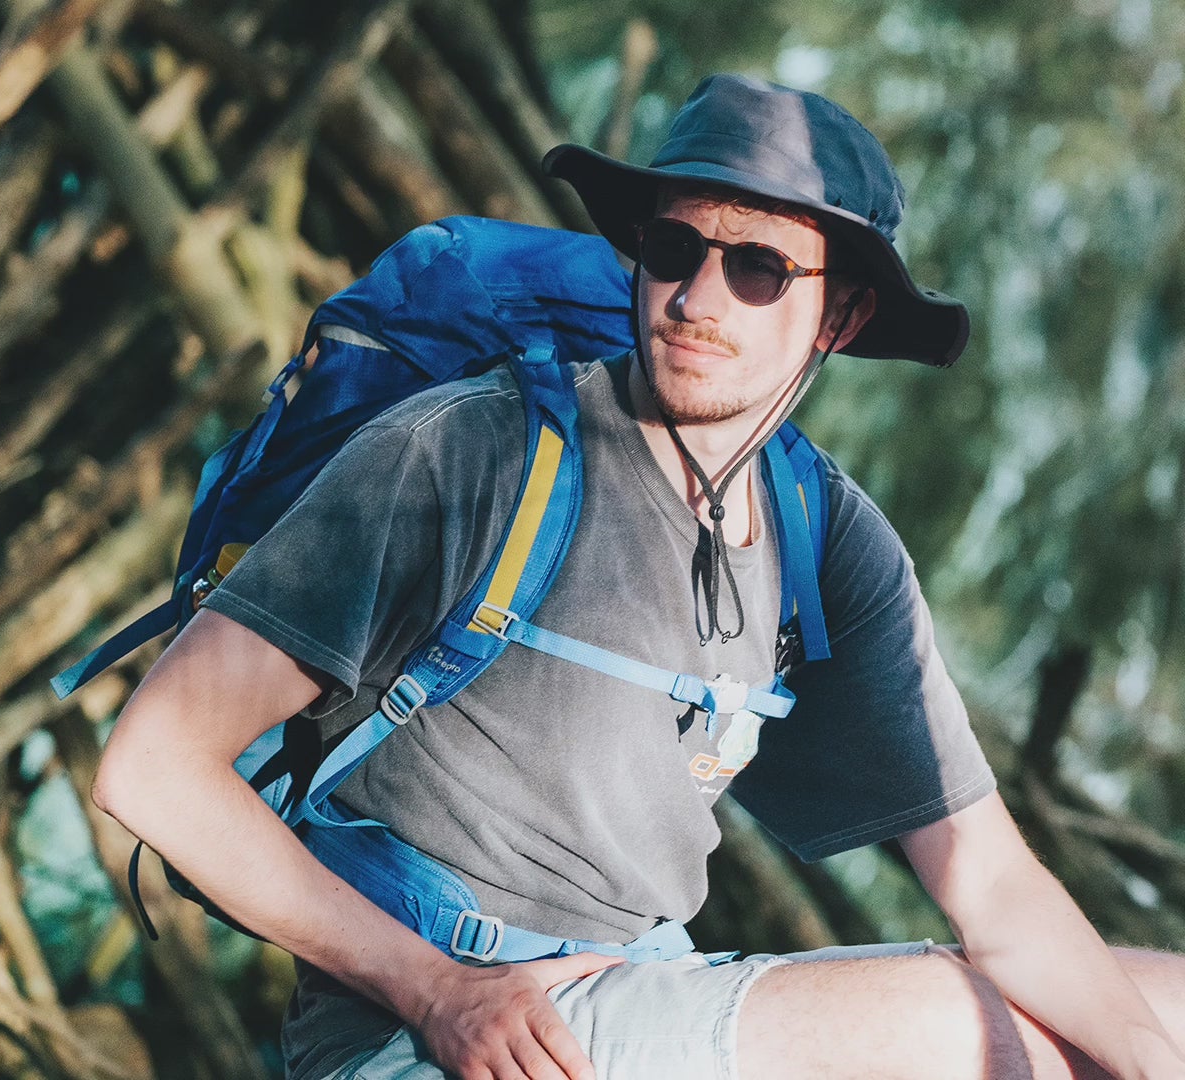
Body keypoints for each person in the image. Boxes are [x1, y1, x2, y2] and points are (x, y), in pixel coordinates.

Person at [92, 74, 1185, 1080]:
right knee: (957, 1021)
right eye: (674, 249)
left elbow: (990, 883)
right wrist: (434, 992)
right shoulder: (470, 455)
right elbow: (152, 767)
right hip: (422, 1039)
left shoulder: (829, 542)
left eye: (758, 267)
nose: (698, 297)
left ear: (842, 315)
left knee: (1163, 1005)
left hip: (645, 996)